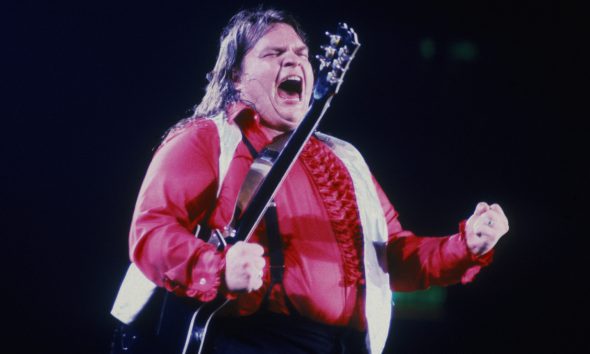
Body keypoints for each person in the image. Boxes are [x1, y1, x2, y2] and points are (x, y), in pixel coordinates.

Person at [110, 7, 509, 354]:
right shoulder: (207, 138)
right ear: (235, 75)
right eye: (274, 53)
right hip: (246, 340)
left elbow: (393, 258)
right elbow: (151, 231)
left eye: (301, 53)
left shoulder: (345, 158)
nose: (293, 61)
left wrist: (465, 245)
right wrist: (215, 268)